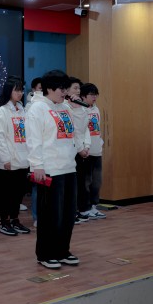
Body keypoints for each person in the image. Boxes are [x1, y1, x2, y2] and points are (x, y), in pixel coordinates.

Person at [25, 70, 79, 270]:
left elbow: (77, 131)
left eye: (66, 89)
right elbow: (34, 139)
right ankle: (45, 254)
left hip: (68, 167)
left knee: (68, 214)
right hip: (49, 169)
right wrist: (37, 165)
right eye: (61, 89)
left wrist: (78, 109)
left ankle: (62, 250)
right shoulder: (37, 108)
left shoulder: (65, 107)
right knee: (50, 215)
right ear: (49, 88)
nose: (64, 93)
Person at [0, 76, 31, 236]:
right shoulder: (2, 111)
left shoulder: (22, 109)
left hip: (23, 158)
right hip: (8, 160)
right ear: (9, 91)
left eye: (21, 90)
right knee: (6, 194)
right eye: (17, 90)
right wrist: (5, 159)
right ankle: (4, 222)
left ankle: (15, 219)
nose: (20, 93)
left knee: (18, 193)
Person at [66, 77, 92, 225]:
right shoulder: (64, 107)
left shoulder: (80, 107)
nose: (78, 91)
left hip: (82, 149)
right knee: (72, 185)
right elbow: (73, 131)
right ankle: (72, 211)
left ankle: (80, 209)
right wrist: (81, 148)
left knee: (82, 183)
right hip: (72, 150)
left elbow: (85, 128)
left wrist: (86, 146)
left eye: (78, 88)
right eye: (75, 88)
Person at [81, 83, 106, 219]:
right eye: (91, 94)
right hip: (86, 152)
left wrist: (100, 143)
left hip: (97, 151)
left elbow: (98, 129)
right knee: (86, 182)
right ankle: (85, 208)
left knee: (97, 181)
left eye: (95, 94)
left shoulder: (96, 109)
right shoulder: (81, 110)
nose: (94, 97)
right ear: (83, 96)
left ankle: (94, 206)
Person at [25, 77, 42, 226]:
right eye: (40, 89)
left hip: (51, 157)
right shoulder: (31, 107)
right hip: (36, 155)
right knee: (38, 187)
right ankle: (37, 217)